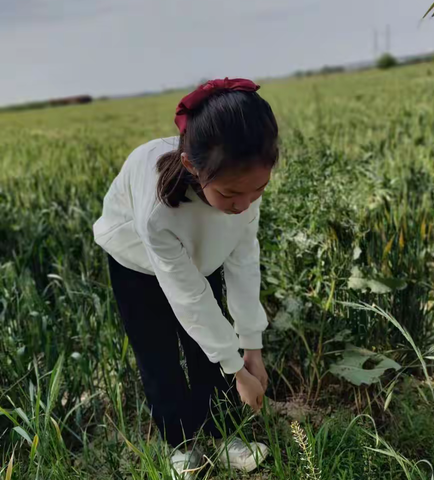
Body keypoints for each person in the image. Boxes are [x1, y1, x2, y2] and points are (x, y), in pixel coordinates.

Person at [92, 77, 279, 478]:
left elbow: (244, 262)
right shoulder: (159, 209)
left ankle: (225, 433)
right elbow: (190, 298)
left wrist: (252, 347)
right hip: (135, 263)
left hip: (201, 255)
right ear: (194, 167)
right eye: (230, 195)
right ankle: (179, 444)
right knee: (158, 355)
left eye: (258, 190)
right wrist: (236, 369)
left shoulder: (243, 187)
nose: (244, 205)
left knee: (206, 352)